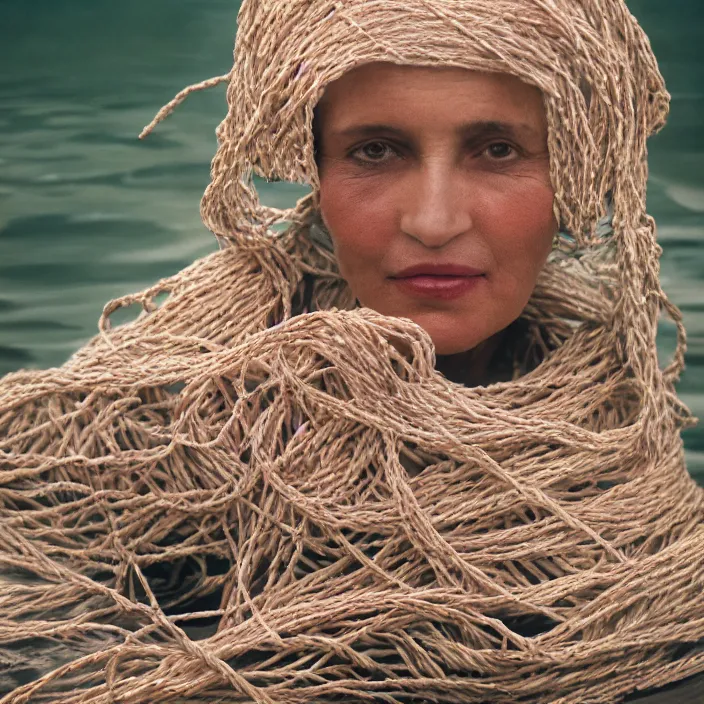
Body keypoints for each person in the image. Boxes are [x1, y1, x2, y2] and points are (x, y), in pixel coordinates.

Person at [0, 0, 703, 701]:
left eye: (497, 150)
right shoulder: (146, 445)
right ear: (317, 171)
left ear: (574, 173)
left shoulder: (627, 456)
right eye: (376, 151)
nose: (433, 221)